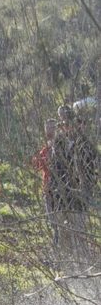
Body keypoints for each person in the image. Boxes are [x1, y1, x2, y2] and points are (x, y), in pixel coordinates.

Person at [48, 104, 98, 255]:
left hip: (79, 196)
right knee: (63, 232)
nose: (66, 128)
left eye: (69, 124)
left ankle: (82, 261)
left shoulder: (86, 145)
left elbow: (93, 169)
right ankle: (66, 265)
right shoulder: (58, 144)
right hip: (60, 193)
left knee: (80, 231)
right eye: (63, 125)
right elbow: (54, 169)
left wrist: (88, 187)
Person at [32, 117, 58, 244]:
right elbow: (37, 166)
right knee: (51, 219)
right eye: (47, 127)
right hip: (47, 187)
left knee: (60, 218)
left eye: (53, 127)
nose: (50, 130)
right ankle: (56, 245)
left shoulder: (61, 146)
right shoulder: (44, 148)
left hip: (61, 188)